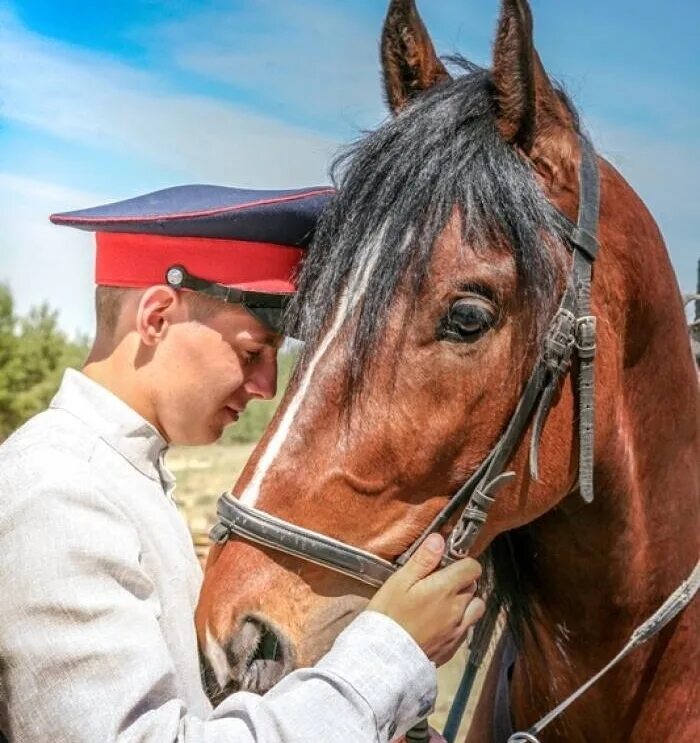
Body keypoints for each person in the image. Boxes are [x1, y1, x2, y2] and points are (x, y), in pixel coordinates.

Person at [0, 184, 485, 742]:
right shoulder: (58, 492)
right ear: (157, 317)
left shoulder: (117, 477)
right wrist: (389, 656)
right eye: (254, 351)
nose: (267, 386)